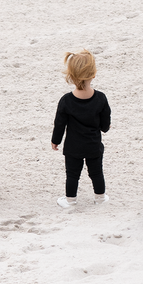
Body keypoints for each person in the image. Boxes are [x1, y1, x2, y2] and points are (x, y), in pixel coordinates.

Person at [51, 50, 111, 208]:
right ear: (94, 74)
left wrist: (55, 141)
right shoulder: (101, 98)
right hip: (93, 145)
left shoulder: (65, 101)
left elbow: (59, 124)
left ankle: (70, 200)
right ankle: (100, 198)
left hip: (73, 147)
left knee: (72, 175)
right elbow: (105, 124)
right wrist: (104, 127)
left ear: (71, 76)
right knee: (96, 172)